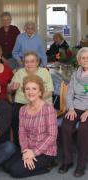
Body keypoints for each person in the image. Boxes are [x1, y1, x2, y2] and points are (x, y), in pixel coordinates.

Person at [4, 74, 57, 178]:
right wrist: (25, 151)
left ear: (40, 92)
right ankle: (29, 161)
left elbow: (52, 136)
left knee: (15, 171)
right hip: (28, 149)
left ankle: (47, 167)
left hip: (45, 151)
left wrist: (33, 153)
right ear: (24, 92)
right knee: (6, 166)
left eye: (34, 89)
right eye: (27, 89)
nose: (30, 92)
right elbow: (22, 133)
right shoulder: (23, 110)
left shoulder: (48, 109)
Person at [8, 51, 54, 146]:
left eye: (32, 61)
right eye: (26, 62)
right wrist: (11, 88)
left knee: (39, 120)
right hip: (22, 102)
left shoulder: (44, 72)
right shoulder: (20, 73)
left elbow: (50, 91)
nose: (29, 64)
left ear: (37, 62)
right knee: (14, 117)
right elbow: (9, 91)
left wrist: (36, 100)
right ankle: (19, 145)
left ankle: (40, 145)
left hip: (42, 102)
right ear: (24, 63)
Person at [58, 47, 88, 177]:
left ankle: (81, 164)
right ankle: (67, 161)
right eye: (83, 58)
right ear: (79, 60)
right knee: (65, 127)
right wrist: (70, 108)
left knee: (83, 129)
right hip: (75, 107)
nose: (86, 60)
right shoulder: (75, 75)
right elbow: (69, 94)